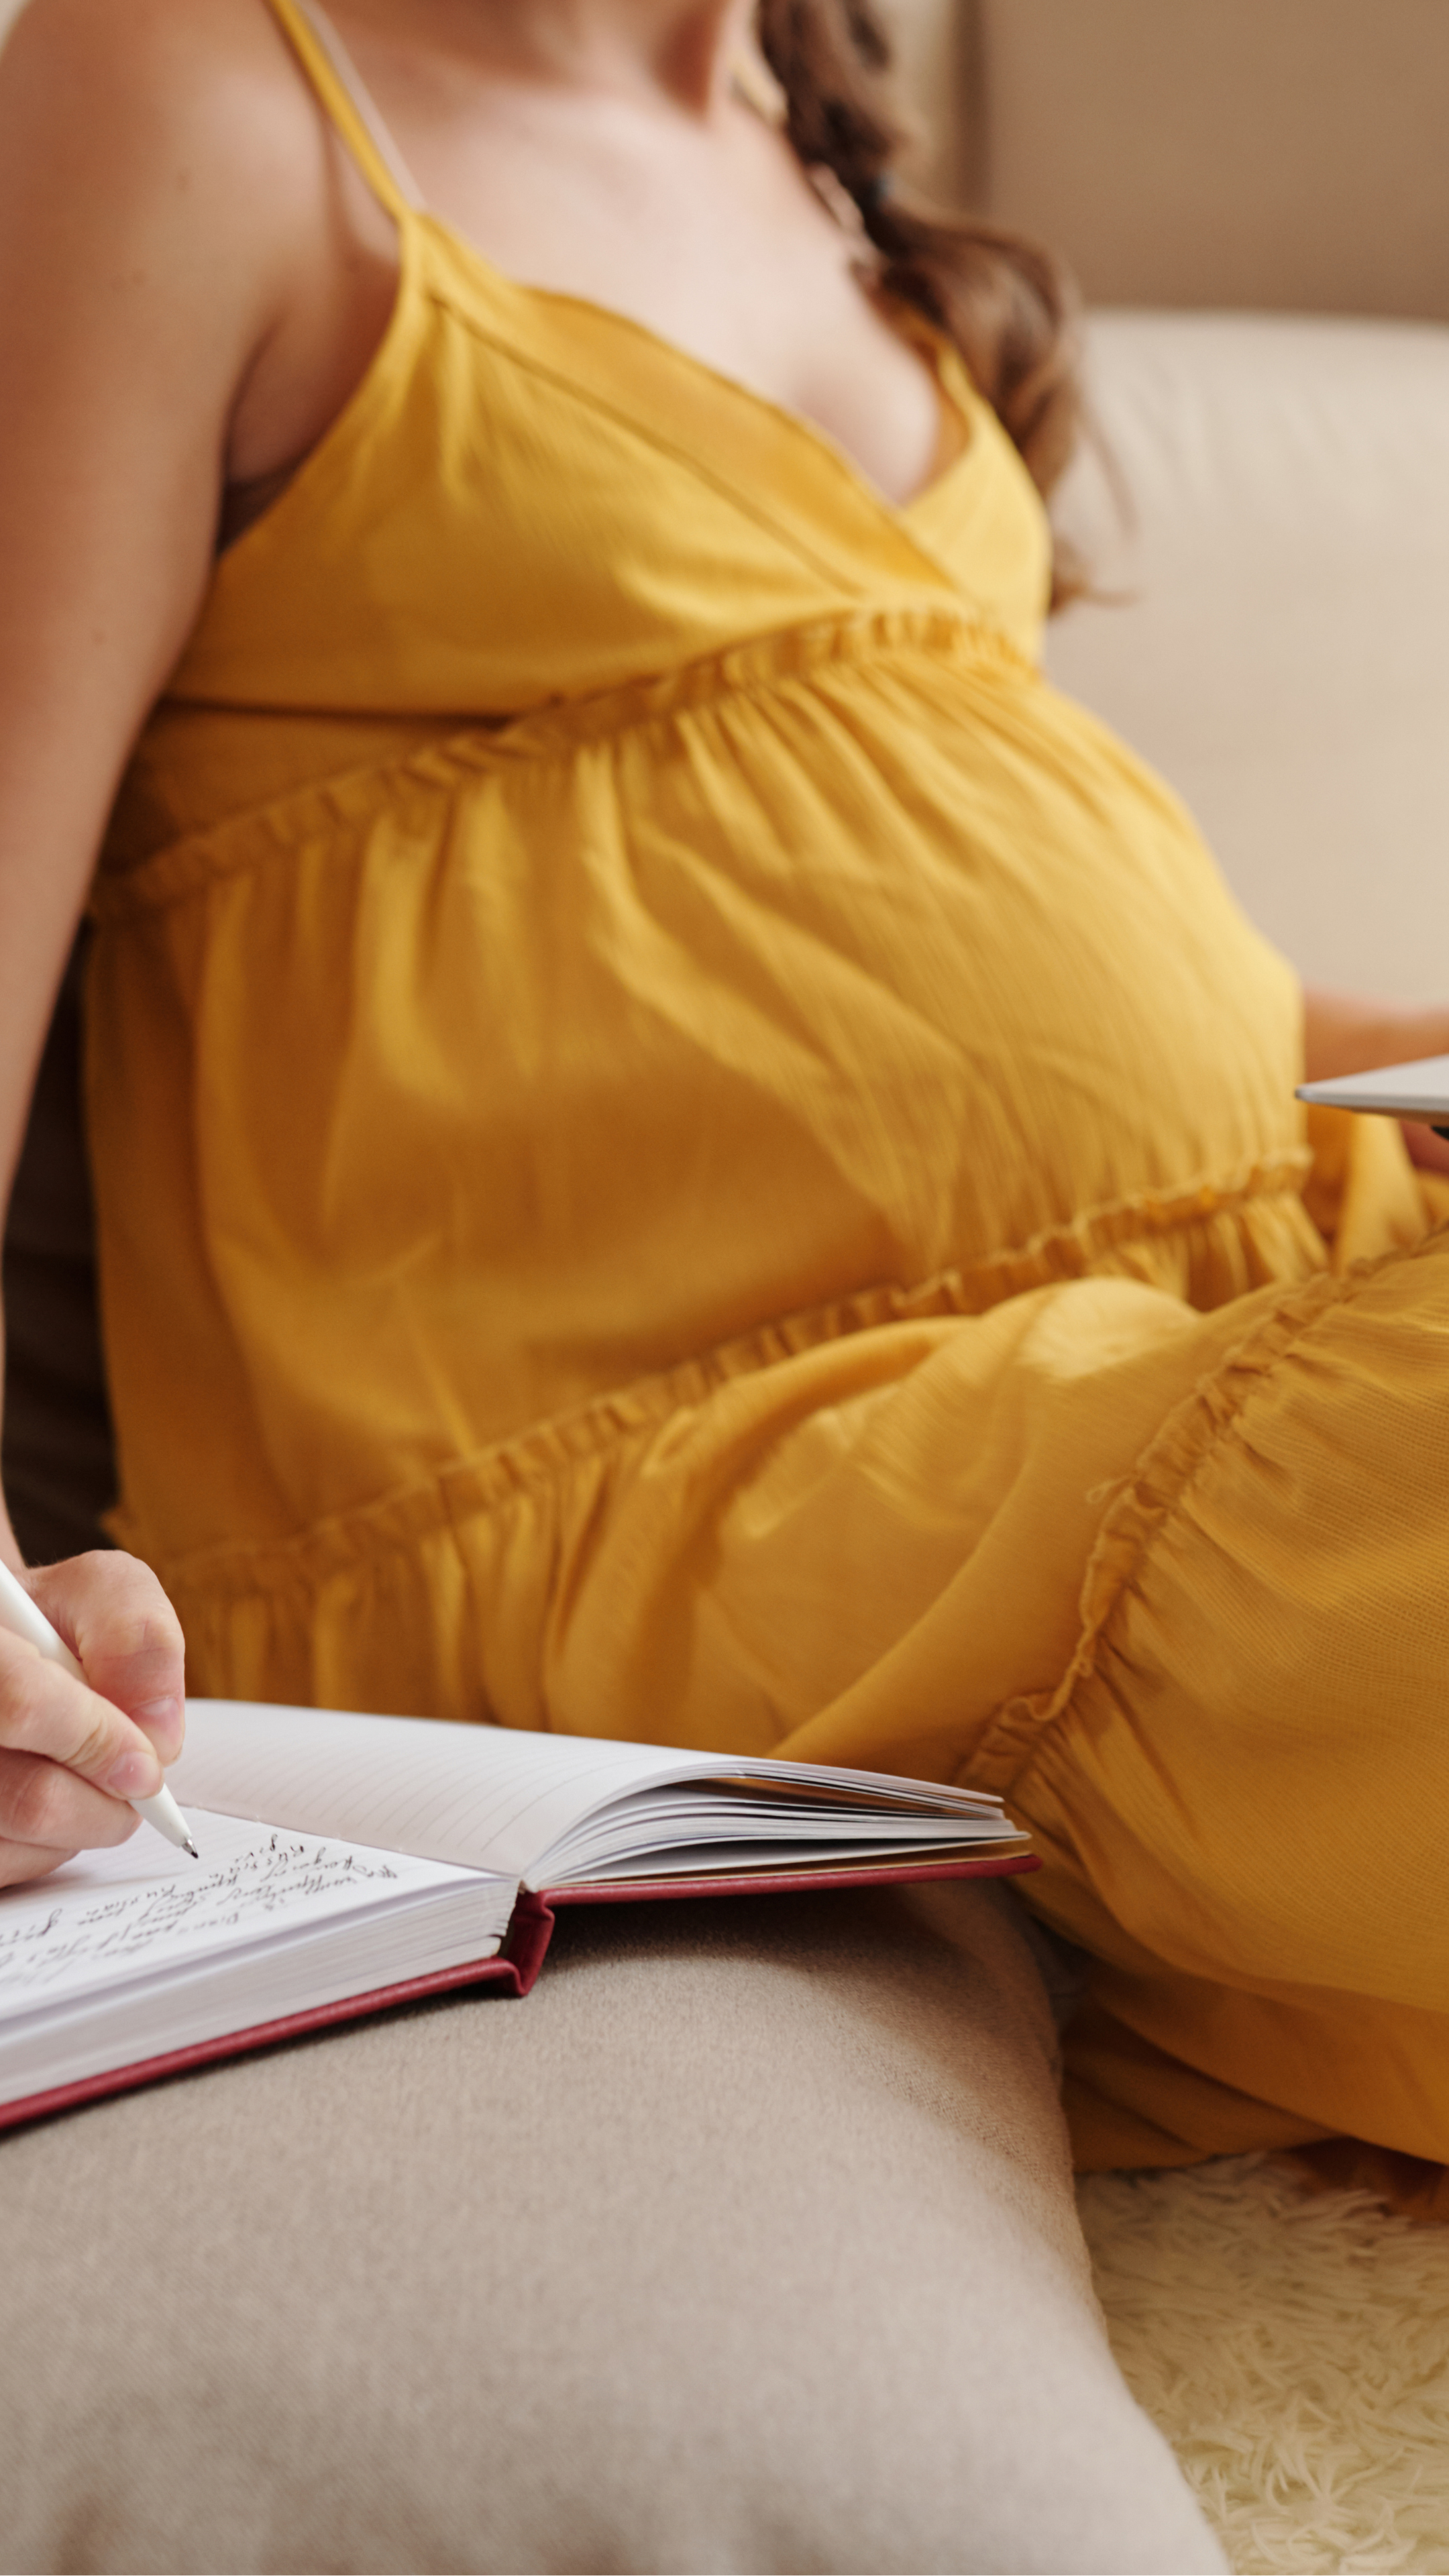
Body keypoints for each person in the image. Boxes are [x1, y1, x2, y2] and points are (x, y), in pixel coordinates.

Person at [2, 0, 1448, 2186]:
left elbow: (1073, 956)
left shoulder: (800, 144)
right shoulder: (185, 85)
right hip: (707, 1472)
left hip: (1219, 1287)